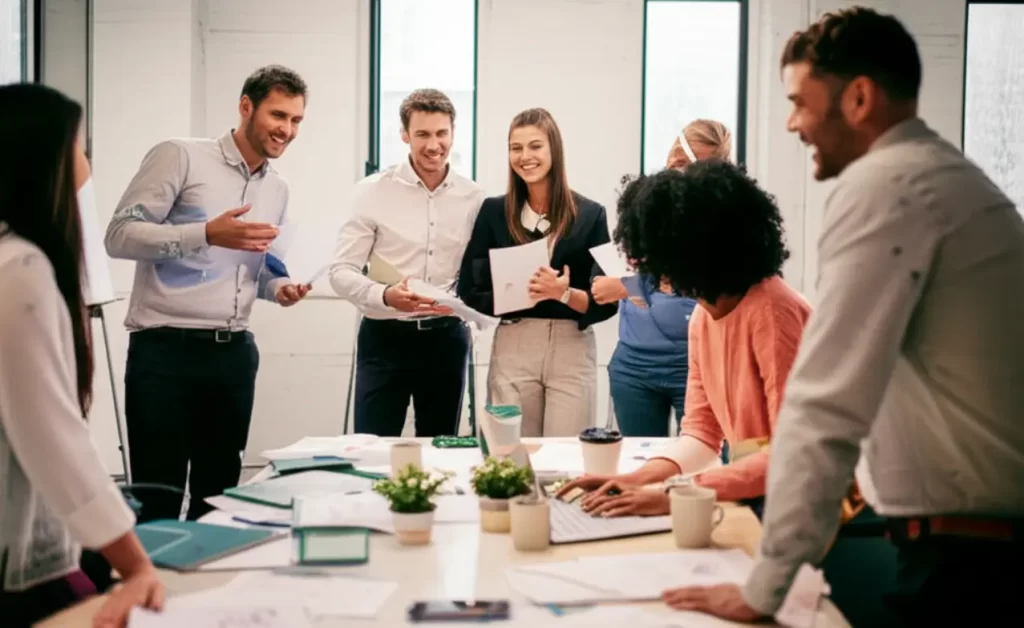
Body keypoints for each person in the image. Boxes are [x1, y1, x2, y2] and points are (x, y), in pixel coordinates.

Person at [661, 8, 1024, 626]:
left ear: (858, 97)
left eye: (801, 102)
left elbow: (824, 406)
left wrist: (763, 588)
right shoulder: (941, 180)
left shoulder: (890, 189)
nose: (791, 122)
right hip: (969, 544)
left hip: (969, 558)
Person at [104, 65, 311, 523]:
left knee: (219, 501)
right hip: (165, 353)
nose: (287, 130)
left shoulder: (278, 188)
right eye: (278, 115)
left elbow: (254, 266)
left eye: (296, 120)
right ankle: (152, 592)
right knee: (157, 496)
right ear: (245, 107)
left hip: (233, 356)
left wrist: (279, 287)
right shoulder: (179, 156)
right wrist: (205, 233)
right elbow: (119, 236)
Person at [556, 161, 809, 518]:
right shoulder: (705, 316)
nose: (643, 270)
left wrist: (676, 496)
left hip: (813, 507)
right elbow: (703, 433)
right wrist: (638, 478)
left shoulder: (773, 313)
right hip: (763, 495)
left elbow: (791, 452)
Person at [0, 83, 163, 628]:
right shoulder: (20, 269)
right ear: (41, 159)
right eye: (79, 147)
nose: (86, 163)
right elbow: (51, 435)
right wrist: (135, 565)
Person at [330, 89, 484, 437]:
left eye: (441, 133)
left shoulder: (473, 198)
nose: (434, 145)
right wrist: (385, 295)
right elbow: (340, 272)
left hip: (446, 340)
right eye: (422, 134)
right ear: (404, 135)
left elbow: (478, 272)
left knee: (439, 450)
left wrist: (468, 305)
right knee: (372, 450)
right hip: (385, 339)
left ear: (453, 132)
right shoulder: (370, 192)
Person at [457, 108, 617, 437]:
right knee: (512, 454)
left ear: (553, 150)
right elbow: (470, 290)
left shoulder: (591, 215)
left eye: (535, 146)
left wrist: (563, 293)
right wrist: (519, 295)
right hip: (515, 342)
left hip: (571, 347)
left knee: (569, 454)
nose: (525, 156)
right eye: (516, 148)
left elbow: (609, 301)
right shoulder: (492, 213)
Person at [591, 119, 732, 440]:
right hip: (634, 367)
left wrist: (630, 287)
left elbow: (700, 286)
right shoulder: (645, 206)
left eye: (687, 166)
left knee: (700, 464)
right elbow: (615, 274)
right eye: (673, 163)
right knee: (639, 464)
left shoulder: (724, 220)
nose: (676, 175)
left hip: (696, 365)